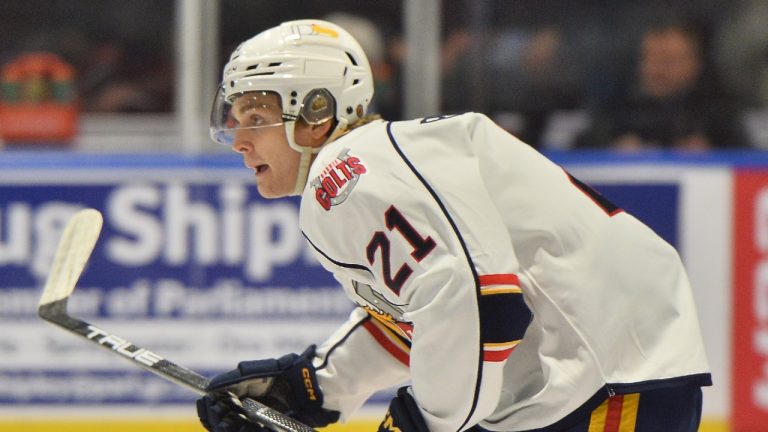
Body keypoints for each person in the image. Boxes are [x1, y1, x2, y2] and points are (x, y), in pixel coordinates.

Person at [196, 19, 711, 432]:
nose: (240, 138)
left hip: (601, 380)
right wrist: (313, 385)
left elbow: (475, 299)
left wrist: (426, 422)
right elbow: (434, 314)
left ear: (314, 114)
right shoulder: (383, 161)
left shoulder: (347, 174)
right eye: (235, 117)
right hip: (604, 376)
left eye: (256, 117)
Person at [576, 18, 750, 151]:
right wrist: (612, 150)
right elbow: (577, 152)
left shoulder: (717, 111)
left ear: (694, 64)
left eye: (668, 61)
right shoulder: (618, 106)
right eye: (651, 59)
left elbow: (748, 160)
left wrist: (712, 157)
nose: (657, 71)